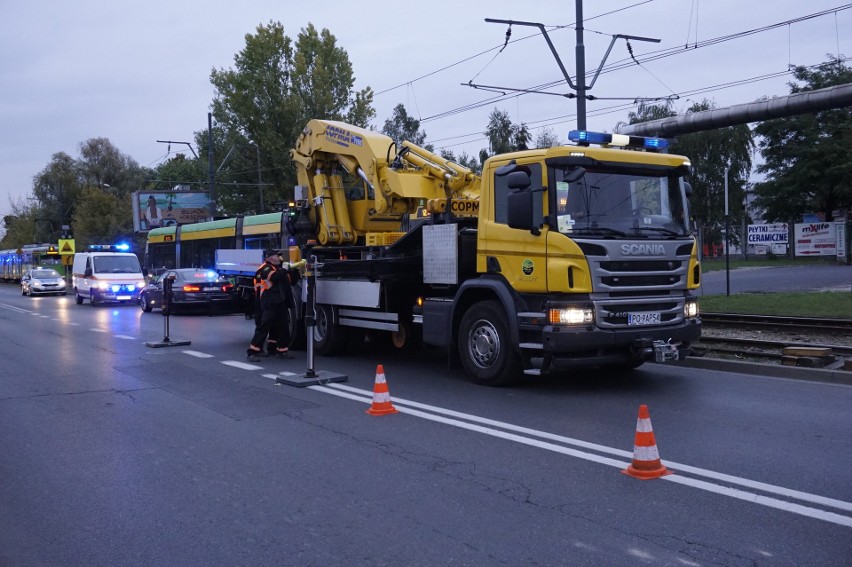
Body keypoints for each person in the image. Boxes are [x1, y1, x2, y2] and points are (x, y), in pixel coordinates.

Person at [247, 250, 304, 360]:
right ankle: (252, 351)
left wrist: (295, 269)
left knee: (283, 327)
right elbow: (273, 277)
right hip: (268, 302)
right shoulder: (265, 268)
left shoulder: (279, 269)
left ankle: (280, 351)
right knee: (264, 326)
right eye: (277, 256)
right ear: (269, 258)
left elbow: (291, 281)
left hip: (279, 302)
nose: (279, 258)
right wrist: (285, 269)